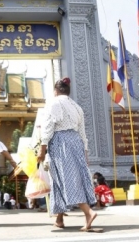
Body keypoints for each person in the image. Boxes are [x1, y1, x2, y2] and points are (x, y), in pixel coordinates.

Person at [37, 77, 98, 232]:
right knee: (62, 178)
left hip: (60, 142)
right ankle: (59, 219)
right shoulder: (77, 107)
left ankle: (88, 212)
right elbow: (83, 134)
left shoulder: (54, 103)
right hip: (76, 142)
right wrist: (85, 153)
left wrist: (42, 149)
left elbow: (48, 127)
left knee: (66, 179)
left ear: (56, 91)